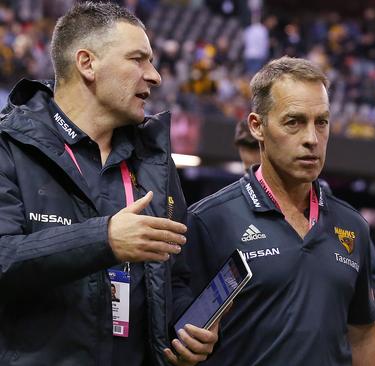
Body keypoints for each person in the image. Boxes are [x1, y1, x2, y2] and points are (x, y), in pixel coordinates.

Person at [0, 3, 219, 365]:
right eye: (138, 59)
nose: (155, 76)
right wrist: (104, 240)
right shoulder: (10, 146)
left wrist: (186, 328)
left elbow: (175, 276)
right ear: (87, 63)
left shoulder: (155, 162)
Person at [185, 56, 375, 365]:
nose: (311, 139)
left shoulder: (352, 225)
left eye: (321, 122)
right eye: (294, 122)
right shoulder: (208, 221)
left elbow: (362, 332)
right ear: (257, 126)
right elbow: (177, 337)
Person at [233, 116, 375, 314]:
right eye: (248, 170)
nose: (253, 178)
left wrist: (339, 324)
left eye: (260, 170)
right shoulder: (232, 213)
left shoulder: (336, 214)